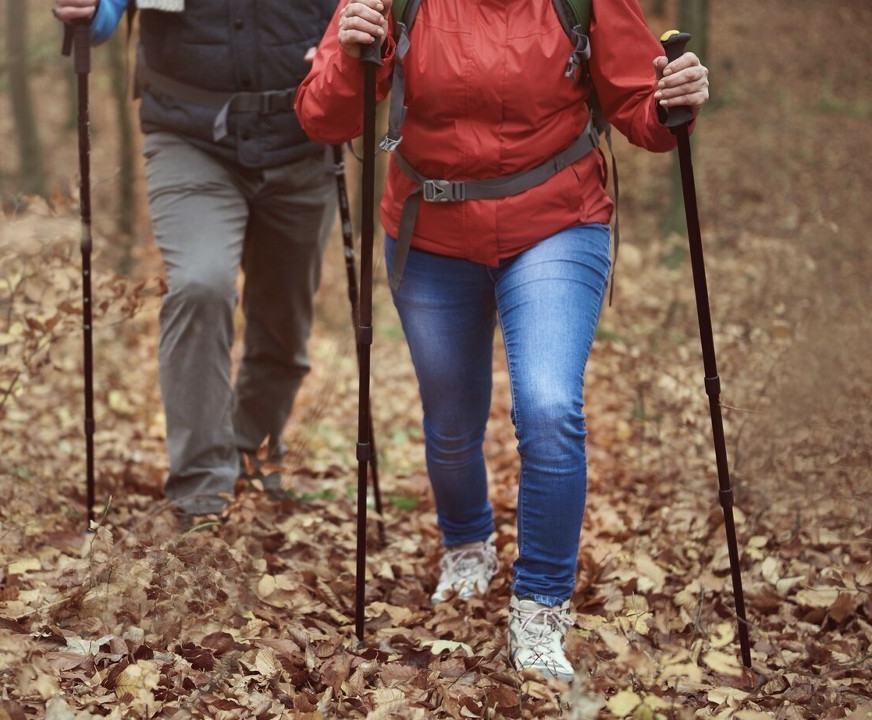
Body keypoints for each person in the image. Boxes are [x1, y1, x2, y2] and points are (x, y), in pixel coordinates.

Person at [295, 0, 709, 681]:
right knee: (451, 418)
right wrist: (349, 52)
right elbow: (325, 120)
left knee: (548, 406)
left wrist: (672, 102)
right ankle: (466, 545)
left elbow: (639, 104)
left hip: (556, 217)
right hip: (429, 230)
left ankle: (541, 604)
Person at [54, 0, 340, 520]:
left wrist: (357, 51)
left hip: (303, 141)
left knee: (284, 329)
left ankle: (248, 451)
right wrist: (88, 13)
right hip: (189, 137)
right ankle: (201, 487)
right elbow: (105, 11)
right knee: (201, 285)